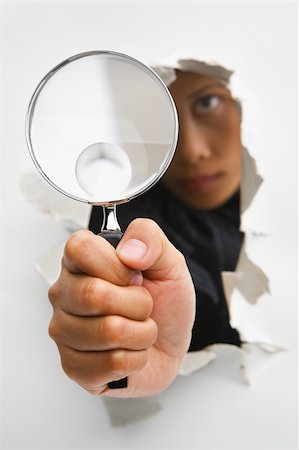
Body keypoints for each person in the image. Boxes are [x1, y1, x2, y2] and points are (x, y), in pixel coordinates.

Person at [48, 59, 245, 397]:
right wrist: (129, 360)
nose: (192, 151)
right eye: (156, 117)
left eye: (207, 102)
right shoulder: (124, 216)